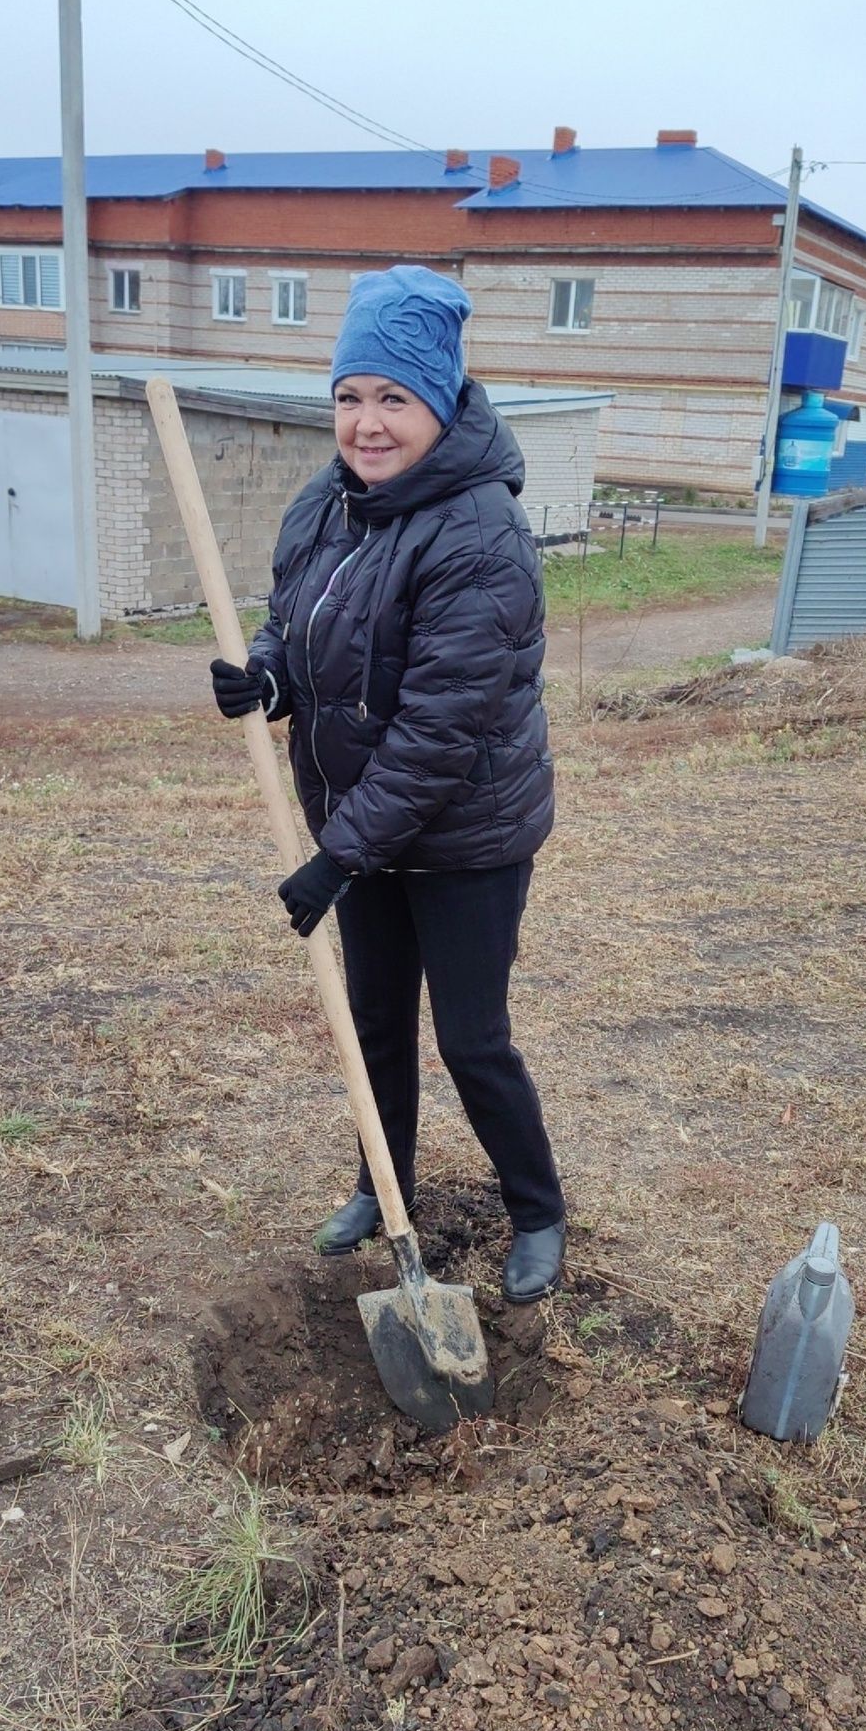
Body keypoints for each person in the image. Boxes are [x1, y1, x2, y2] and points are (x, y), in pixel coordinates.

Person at [210, 264, 565, 1302]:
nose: (366, 424)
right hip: (361, 831)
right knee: (372, 1024)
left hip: (466, 835)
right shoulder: (328, 503)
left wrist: (336, 855)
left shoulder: (481, 534)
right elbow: (298, 617)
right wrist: (268, 673)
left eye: (393, 398)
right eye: (350, 397)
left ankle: (537, 1209)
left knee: (470, 1036)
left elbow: (438, 732)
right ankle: (383, 1185)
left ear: (442, 400)